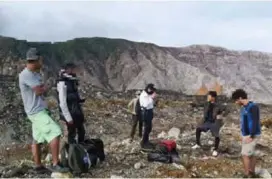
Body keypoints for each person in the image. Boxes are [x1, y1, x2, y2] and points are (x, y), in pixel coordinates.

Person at [19, 48, 69, 173]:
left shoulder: (35, 73)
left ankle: (38, 166)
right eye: (40, 60)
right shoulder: (26, 75)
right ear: (34, 60)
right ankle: (55, 164)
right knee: (55, 132)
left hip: (37, 111)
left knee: (37, 139)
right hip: (36, 112)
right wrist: (50, 84)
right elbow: (39, 91)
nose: (42, 62)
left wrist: (44, 86)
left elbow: (39, 88)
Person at [231, 89, 261, 178]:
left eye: (236, 100)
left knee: (245, 154)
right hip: (247, 134)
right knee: (252, 154)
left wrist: (251, 136)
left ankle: (247, 175)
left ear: (240, 98)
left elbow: (255, 121)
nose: (236, 103)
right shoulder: (244, 107)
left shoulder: (252, 107)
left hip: (252, 134)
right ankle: (252, 173)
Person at [56, 63, 86, 144]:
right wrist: (68, 118)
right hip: (69, 114)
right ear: (67, 70)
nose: (74, 71)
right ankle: (71, 153)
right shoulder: (62, 83)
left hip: (75, 112)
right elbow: (62, 102)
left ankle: (80, 151)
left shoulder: (72, 81)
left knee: (81, 132)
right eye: (72, 69)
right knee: (71, 135)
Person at [192, 91, 224, 157]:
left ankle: (215, 149)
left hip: (215, 122)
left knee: (216, 135)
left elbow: (222, 111)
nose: (208, 97)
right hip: (207, 122)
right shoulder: (206, 103)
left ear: (213, 97)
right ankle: (198, 144)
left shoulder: (218, 105)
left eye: (209, 96)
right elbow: (200, 105)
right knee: (198, 129)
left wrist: (219, 121)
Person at [139, 83, 156, 150]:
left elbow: (151, 104)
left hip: (149, 112)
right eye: (151, 90)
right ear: (148, 89)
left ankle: (147, 141)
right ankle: (143, 143)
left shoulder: (147, 95)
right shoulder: (144, 95)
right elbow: (145, 104)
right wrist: (151, 97)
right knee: (146, 128)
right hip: (145, 112)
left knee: (149, 128)